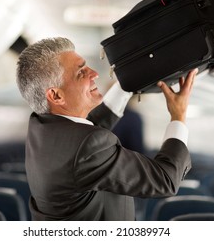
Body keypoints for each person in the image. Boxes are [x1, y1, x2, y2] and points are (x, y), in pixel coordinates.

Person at [16, 37, 198, 221]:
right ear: (56, 95)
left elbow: (86, 131)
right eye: (81, 72)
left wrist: (126, 84)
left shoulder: (41, 126)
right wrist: (179, 115)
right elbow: (166, 180)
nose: (94, 73)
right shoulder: (86, 147)